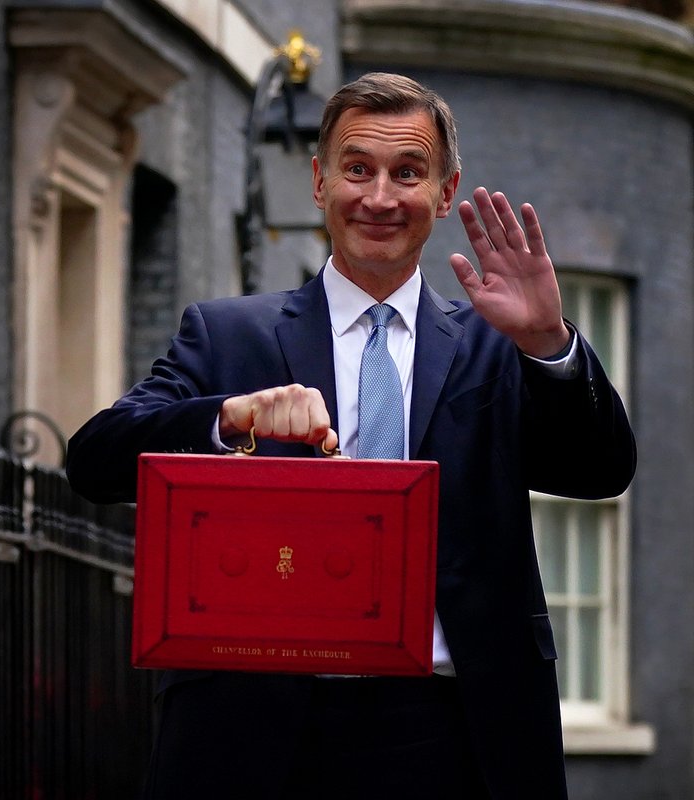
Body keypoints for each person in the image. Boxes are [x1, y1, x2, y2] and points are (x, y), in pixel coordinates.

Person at [66, 72, 635, 799]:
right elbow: (94, 460)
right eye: (358, 169)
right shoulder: (228, 335)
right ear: (319, 181)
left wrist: (549, 343)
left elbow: (600, 470)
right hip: (257, 732)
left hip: (455, 731)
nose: (380, 197)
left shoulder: (500, 346)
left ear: (445, 192)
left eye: (408, 173)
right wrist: (229, 418)